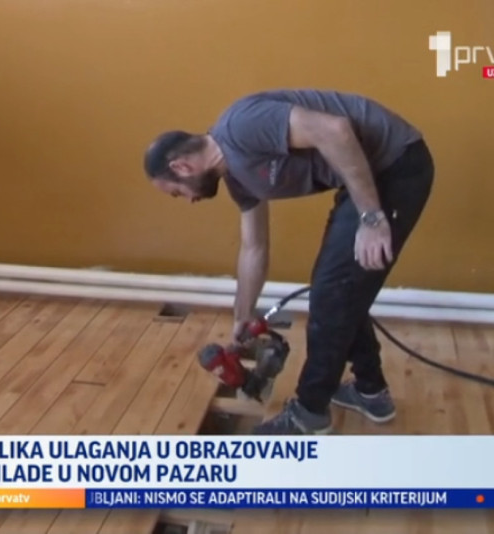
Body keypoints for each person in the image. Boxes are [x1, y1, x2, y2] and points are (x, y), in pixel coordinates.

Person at [142, 89, 434, 435]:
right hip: (366, 175)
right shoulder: (238, 178)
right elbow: (254, 247)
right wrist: (243, 313)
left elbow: (336, 130)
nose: (188, 200)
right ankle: (371, 392)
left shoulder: (239, 126)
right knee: (338, 288)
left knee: (332, 293)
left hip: (395, 165)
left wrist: (371, 217)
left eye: (178, 192)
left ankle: (309, 414)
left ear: (182, 167)